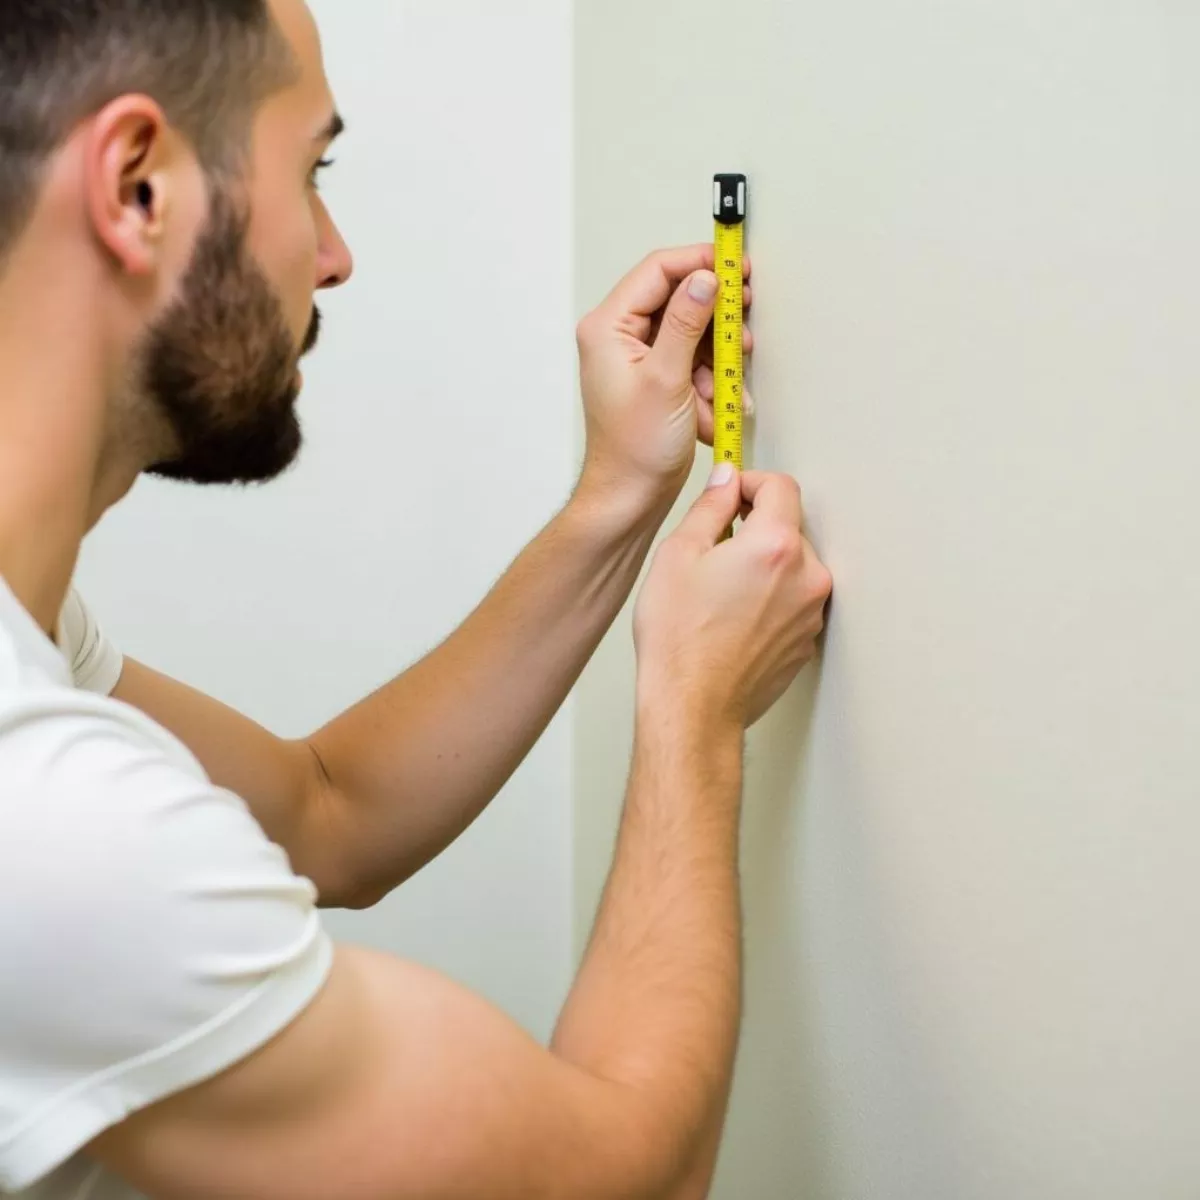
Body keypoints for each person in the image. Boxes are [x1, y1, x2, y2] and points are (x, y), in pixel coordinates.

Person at [0, 1, 833, 1197]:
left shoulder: (27, 642)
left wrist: (617, 496)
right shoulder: (40, 820)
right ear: (137, 189)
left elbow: (329, 812)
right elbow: (624, 1184)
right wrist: (691, 716)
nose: (334, 254)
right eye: (311, 170)